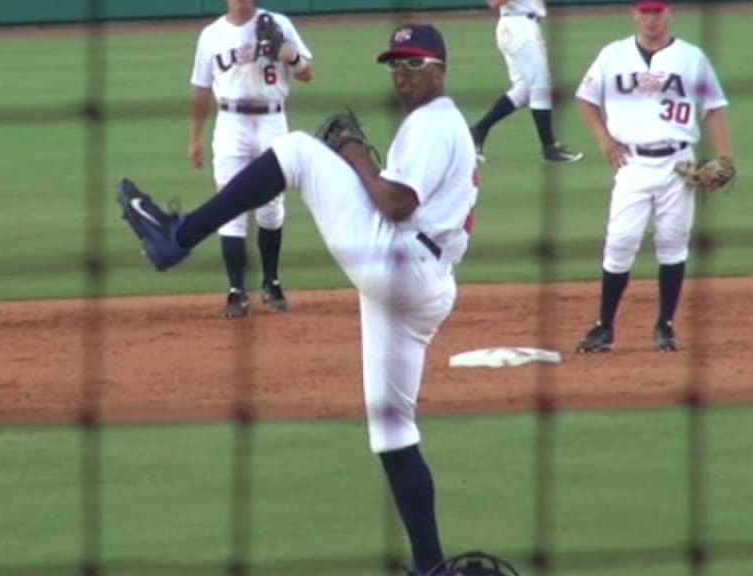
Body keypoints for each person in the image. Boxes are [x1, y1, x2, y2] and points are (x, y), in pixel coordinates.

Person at [119, 23, 515, 576]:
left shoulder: (433, 122)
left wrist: (353, 154)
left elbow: (396, 203)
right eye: (395, 64)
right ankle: (431, 568)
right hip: (426, 287)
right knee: (393, 430)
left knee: (300, 152)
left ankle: (176, 237)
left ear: (440, 70)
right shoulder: (441, 127)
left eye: (414, 64)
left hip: (401, 262)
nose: (402, 74)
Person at [574, 0, 733, 353]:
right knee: (619, 243)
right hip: (631, 164)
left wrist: (726, 157)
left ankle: (666, 325)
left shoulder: (691, 58)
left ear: (669, 13)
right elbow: (585, 98)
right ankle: (605, 327)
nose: (651, 18)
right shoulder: (613, 55)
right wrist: (604, 138)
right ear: (634, 13)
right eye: (644, 11)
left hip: (678, 163)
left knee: (673, 245)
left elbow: (715, 107)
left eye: (657, 11)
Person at [189, 0, 314, 317]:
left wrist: (292, 56)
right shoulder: (211, 35)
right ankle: (236, 291)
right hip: (231, 124)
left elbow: (307, 74)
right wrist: (196, 138)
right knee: (230, 205)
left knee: (271, 206)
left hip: (272, 121)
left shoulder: (279, 23)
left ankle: (271, 282)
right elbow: (201, 89)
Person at [470, 0, 583, 163]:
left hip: (523, 27)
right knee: (540, 86)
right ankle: (549, 146)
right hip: (518, 27)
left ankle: (479, 131)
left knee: (524, 89)